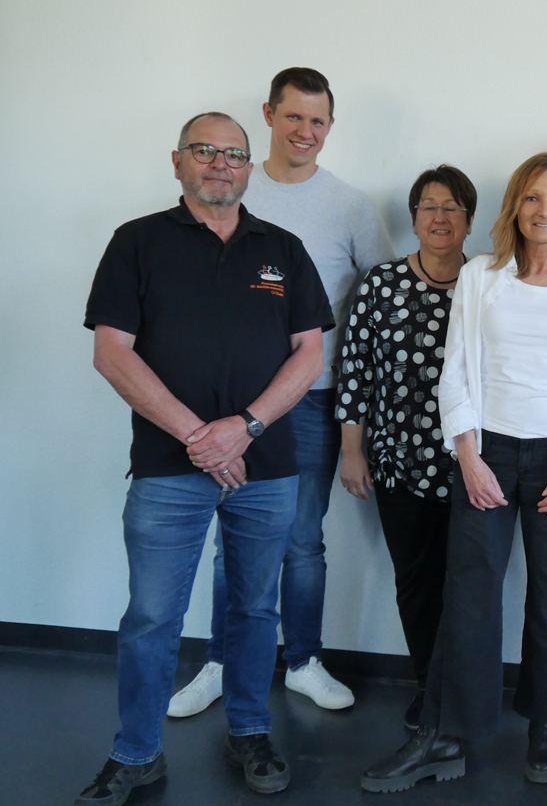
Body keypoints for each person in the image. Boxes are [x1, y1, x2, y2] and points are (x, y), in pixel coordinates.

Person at [77, 112, 334, 804]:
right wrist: (202, 436)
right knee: (152, 617)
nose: (220, 163)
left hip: (267, 466)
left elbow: (310, 353)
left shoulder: (282, 248)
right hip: (168, 468)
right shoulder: (137, 242)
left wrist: (244, 427)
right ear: (177, 161)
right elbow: (111, 352)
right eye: (205, 150)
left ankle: (250, 730)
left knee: (254, 609)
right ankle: (136, 752)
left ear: (249, 167)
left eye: (233, 154)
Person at [360, 152, 547, 792]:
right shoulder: (482, 276)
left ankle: (545, 724)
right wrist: (469, 456)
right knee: (469, 594)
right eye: (532, 197)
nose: (544, 210)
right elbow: (455, 371)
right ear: (515, 208)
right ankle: (445, 733)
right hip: (488, 454)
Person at [169, 68, 391, 718]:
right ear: (268, 115)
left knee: (301, 540)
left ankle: (303, 661)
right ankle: (221, 661)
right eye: (294, 116)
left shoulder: (351, 206)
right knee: (231, 538)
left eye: (318, 120)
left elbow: (380, 301)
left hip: (314, 401)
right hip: (231, 405)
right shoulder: (231, 187)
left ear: (330, 127)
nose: (305, 131)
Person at [337, 165, 476, 730]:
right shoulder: (381, 283)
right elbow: (355, 370)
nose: (439, 217)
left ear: (470, 220)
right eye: (428, 207)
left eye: (451, 207)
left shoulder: (488, 283)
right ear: (414, 217)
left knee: (466, 584)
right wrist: (352, 450)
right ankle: (428, 687)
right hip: (398, 462)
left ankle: (460, 689)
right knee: (416, 582)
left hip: (473, 467)